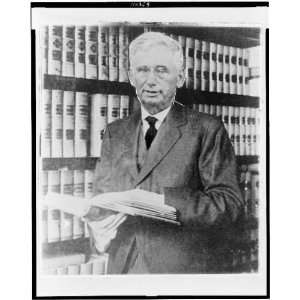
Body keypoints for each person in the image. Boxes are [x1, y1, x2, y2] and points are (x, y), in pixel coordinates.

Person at [85, 31, 243, 274]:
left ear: (180, 78)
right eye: (142, 70)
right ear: (131, 77)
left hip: (180, 271)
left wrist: (165, 201)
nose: (150, 80)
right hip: (122, 267)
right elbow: (101, 197)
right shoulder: (114, 133)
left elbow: (229, 205)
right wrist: (97, 227)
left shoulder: (206, 129)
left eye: (161, 70)